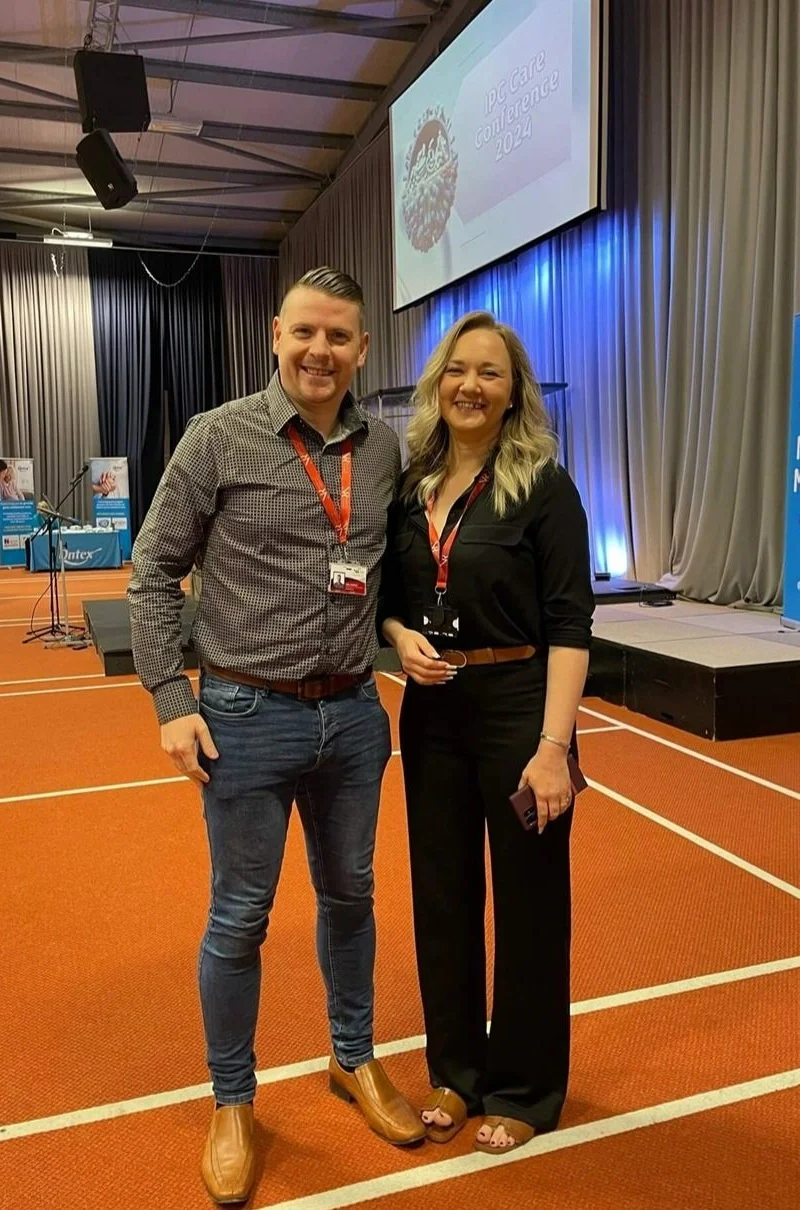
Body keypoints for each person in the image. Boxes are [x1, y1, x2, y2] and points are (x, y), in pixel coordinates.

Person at [128, 267, 424, 1206]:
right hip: (245, 717)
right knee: (240, 916)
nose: (319, 352)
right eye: (304, 333)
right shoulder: (217, 437)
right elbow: (150, 575)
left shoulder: (383, 452)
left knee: (353, 897)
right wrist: (173, 701)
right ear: (273, 334)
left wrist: (391, 630)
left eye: (339, 336)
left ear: (363, 349)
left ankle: (353, 1059)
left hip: (354, 717)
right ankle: (233, 1101)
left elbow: (373, 572)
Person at [380, 311, 593, 1157]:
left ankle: (527, 1089)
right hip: (432, 713)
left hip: (519, 710)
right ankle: (458, 1072)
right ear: (438, 383)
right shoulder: (410, 486)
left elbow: (572, 625)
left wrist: (554, 748)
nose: (471, 385)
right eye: (458, 369)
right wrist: (398, 642)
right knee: (443, 899)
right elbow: (391, 601)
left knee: (532, 904)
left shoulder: (544, 483)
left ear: (514, 394)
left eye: (491, 373)